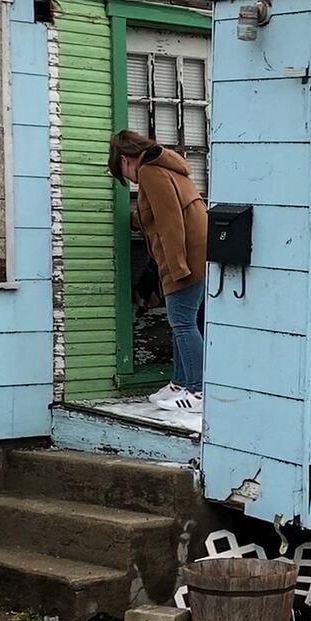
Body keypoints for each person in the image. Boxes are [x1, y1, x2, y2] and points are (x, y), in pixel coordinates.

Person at [108, 130, 207, 412]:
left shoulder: (151, 173)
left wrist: (176, 268)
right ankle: (180, 383)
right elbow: (164, 210)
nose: (129, 178)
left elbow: (171, 222)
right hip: (199, 252)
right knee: (183, 322)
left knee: (183, 323)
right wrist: (138, 220)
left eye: (124, 173)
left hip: (186, 258)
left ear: (126, 161)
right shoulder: (167, 168)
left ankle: (199, 391)